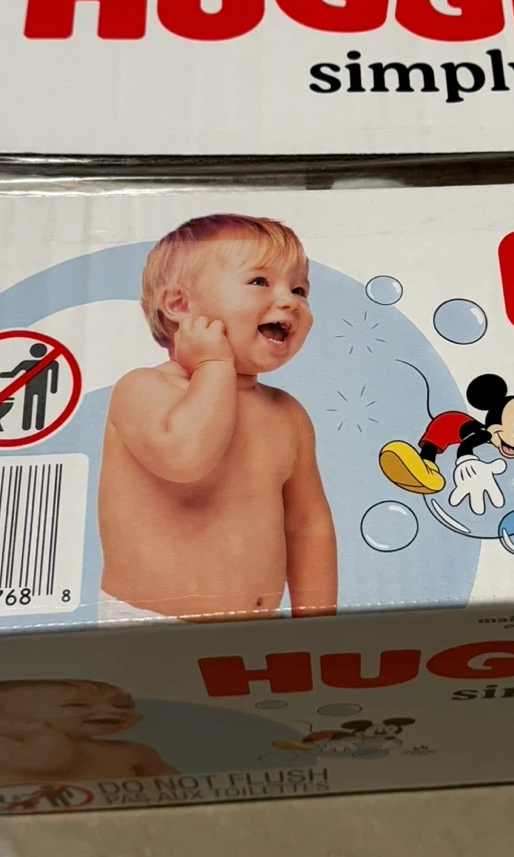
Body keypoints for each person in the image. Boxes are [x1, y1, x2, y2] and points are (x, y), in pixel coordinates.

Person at [97, 213, 337, 622]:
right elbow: (186, 458)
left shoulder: (288, 414)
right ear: (180, 305)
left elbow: (307, 525)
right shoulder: (142, 389)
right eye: (259, 281)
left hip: (257, 631)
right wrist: (213, 364)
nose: (289, 301)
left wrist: (316, 624)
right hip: (151, 629)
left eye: (299, 289)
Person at [0, 679, 177, 788]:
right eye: (77, 705)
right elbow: (51, 761)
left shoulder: (134, 751)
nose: (113, 712)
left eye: (123, 706)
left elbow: (173, 783)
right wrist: (41, 736)